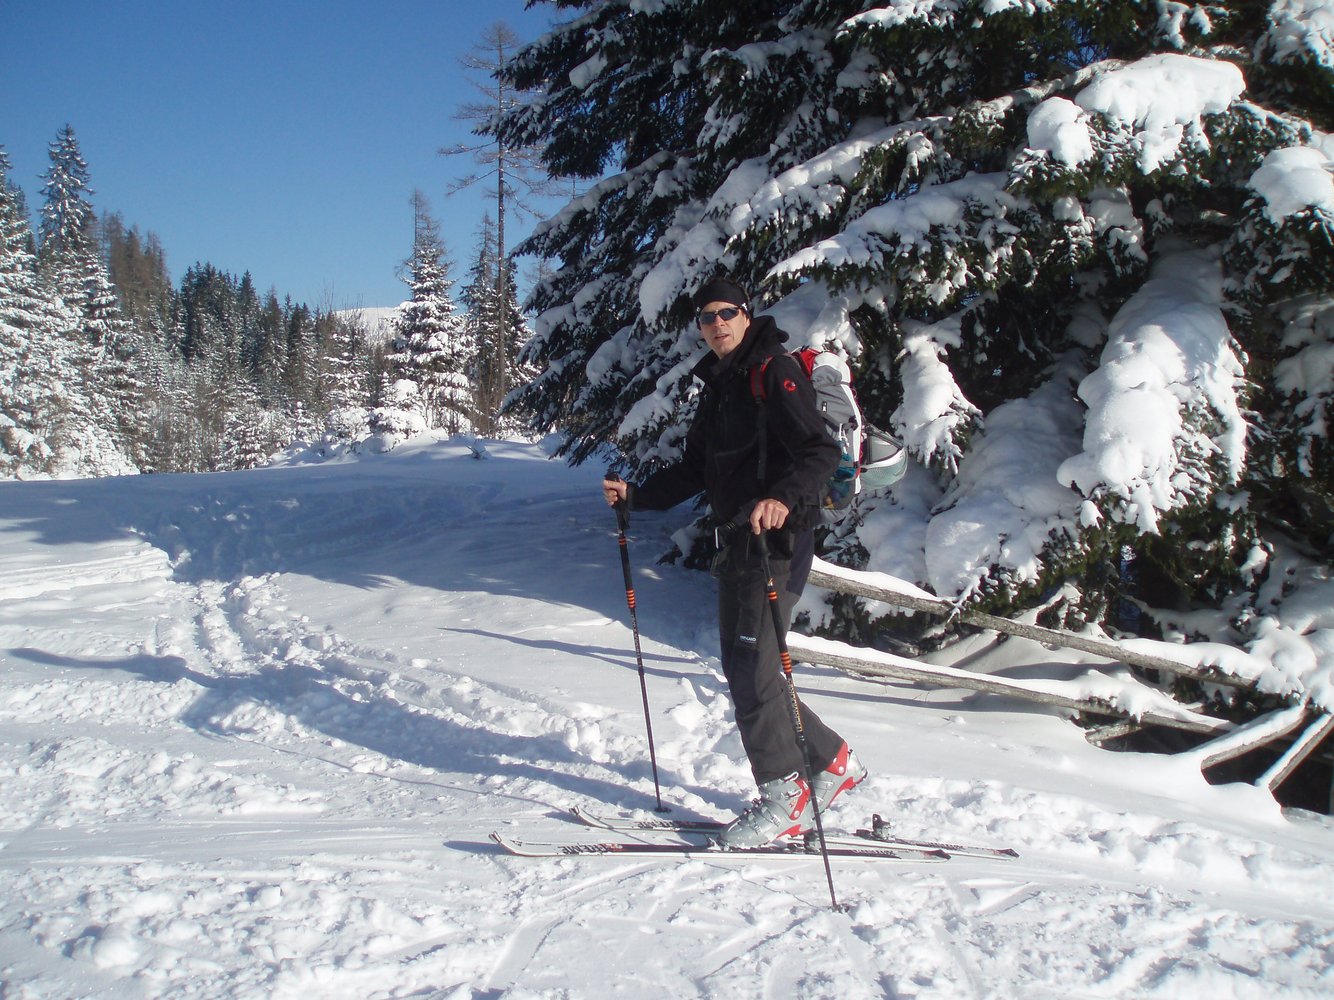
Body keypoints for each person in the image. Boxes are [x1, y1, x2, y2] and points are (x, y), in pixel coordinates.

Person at [601, 276, 867, 848]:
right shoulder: (722, 384)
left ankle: (784, 795)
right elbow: (695, 469)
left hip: (777, 543)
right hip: (740, 545)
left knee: (750, 670)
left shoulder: (774, 371)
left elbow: (819, 451)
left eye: (726, 313)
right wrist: (636, 497)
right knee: (751, 667)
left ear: (746, 316)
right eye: (706, 317)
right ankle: (831, 760)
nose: (717, 323)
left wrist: (781, 499)